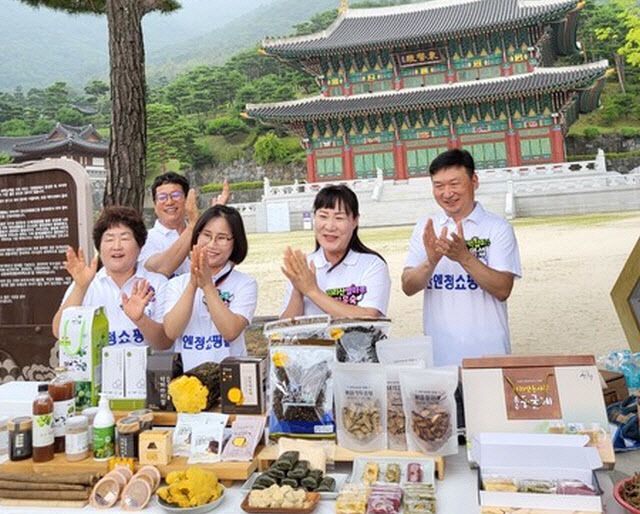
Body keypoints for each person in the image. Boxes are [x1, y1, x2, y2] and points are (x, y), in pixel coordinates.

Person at [402, 148, 521, 367]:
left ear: (474, 181)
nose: (447, 193)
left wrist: (464, 257)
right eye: (438, 186)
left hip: (489, 356)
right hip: (439, 358)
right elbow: (408, 286)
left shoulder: (497, 228)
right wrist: (431, 261)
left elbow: (503, 289)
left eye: (454, 184)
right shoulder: (426, 228)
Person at [52, 206, 172, 350]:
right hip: (96, 371)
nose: (116, 246)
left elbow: (165, 342)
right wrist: (80, 287)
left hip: (146, 370)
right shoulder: (86, 284)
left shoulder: (157, 284)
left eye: (124, 238)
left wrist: (140, 319)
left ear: (139, 246)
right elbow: (59, 332)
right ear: (99, 247)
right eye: (109, 239)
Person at [163, 204, 257, 372]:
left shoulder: (245, 283)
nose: (212, 244)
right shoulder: (176, 284)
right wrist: (193, 284)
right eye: (206, 235)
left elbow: (230, 331)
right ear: (197, 236)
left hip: (231, 379)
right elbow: (171, 331)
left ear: (235, 243)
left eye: (222, 238)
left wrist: (207, 285)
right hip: (186, 381)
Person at [281, 183, 390, 319]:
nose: (330, 226)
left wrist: (312, 290)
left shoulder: (372, 265)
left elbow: (368, 316)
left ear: (355, 221)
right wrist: (298, 289)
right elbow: (285, 328)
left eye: (339, 218)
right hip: (309, 341)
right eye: (323, 216)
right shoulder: (305, 265)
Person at [139, 171, 230, 278]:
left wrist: (215, 219)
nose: (169, 202)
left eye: (175, 195)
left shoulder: (203, 233)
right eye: (162, 197)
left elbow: (226, 264)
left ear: (187, 200)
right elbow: (161, 269)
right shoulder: (144, 239)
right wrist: (193, 226)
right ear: (155, 204)